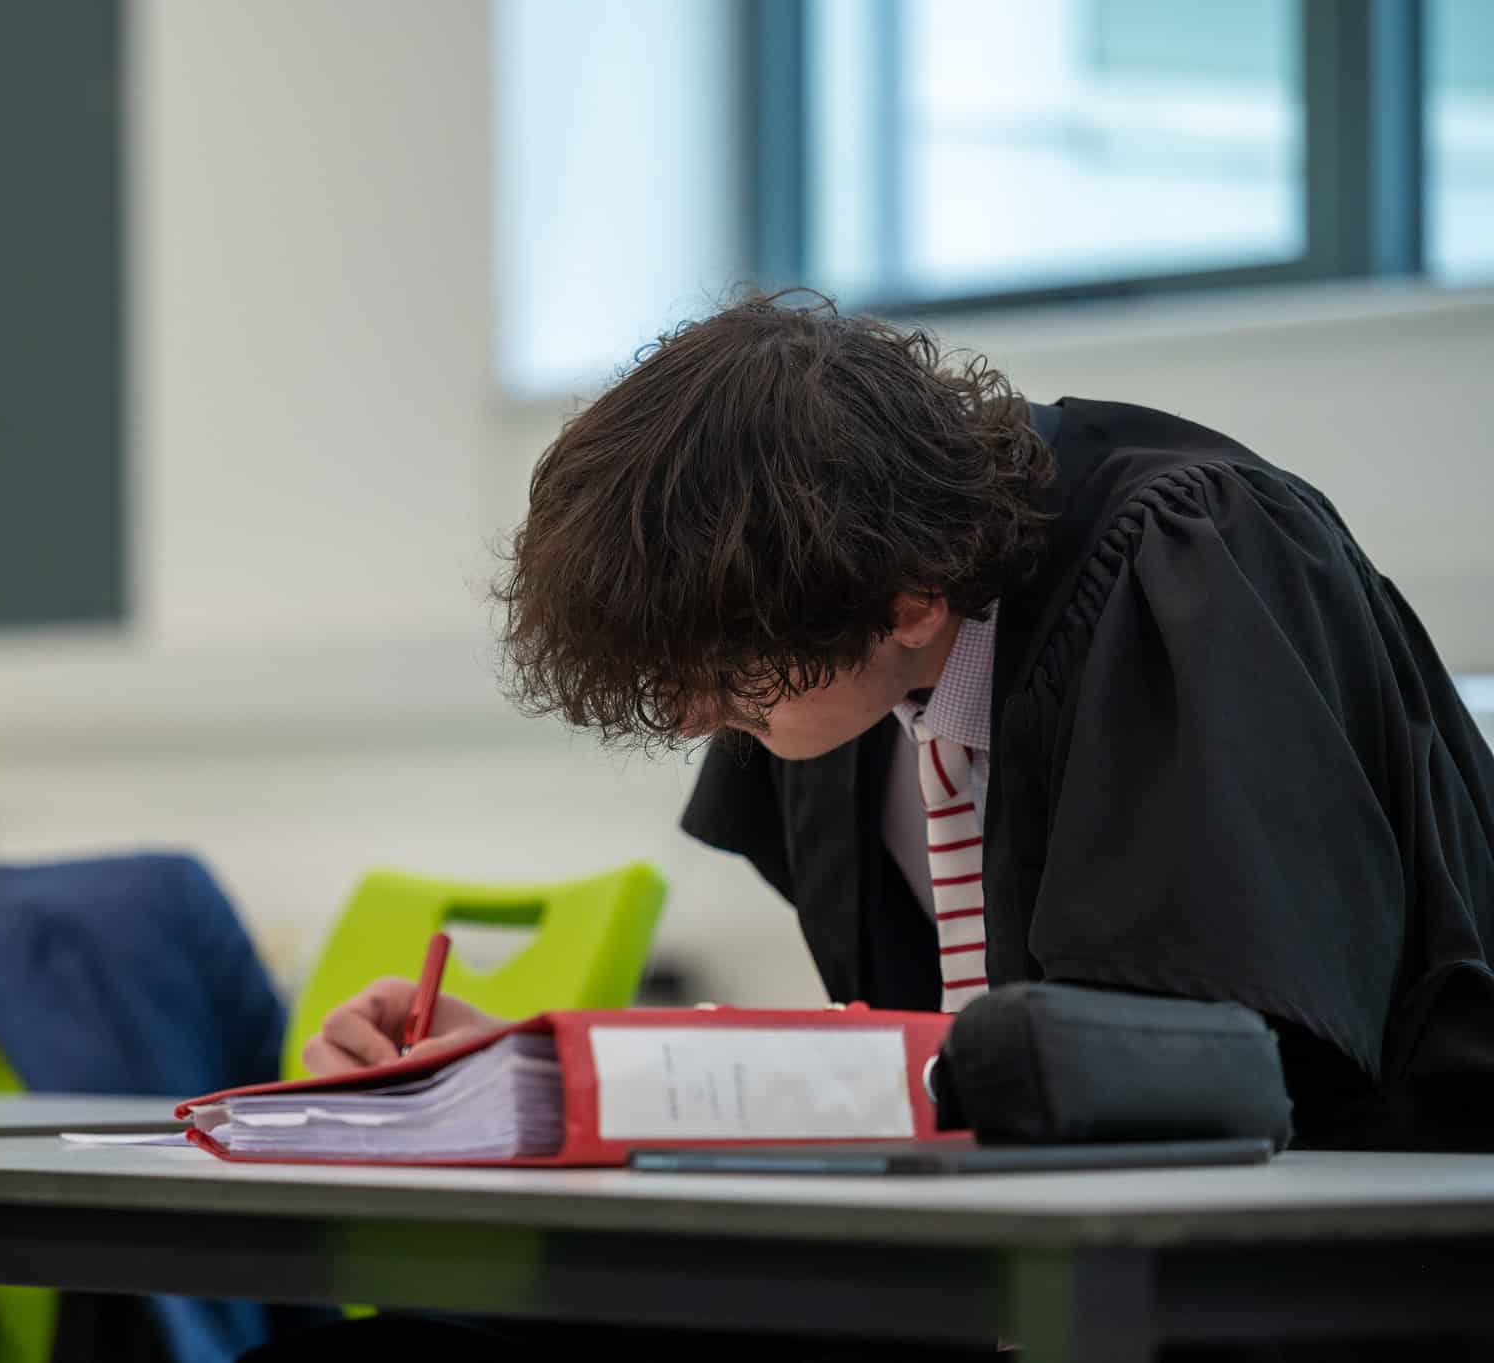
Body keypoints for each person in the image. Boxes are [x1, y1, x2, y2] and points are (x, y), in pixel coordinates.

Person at [306, 291, 1494, 1154]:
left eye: (724, 671)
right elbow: (913, 1052)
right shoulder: (839, 670)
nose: (686, 712)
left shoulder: (1186, 560)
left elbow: (1191, 1074)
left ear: (909, 599)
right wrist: (532, 1068)